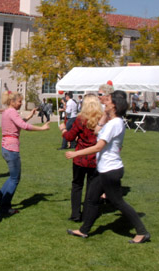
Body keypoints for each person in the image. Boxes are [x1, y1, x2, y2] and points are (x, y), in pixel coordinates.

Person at [65, 90, 150, 244]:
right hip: (103, 169)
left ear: (115, 105)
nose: (104, 100)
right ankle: (84, 230)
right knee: (91, 199)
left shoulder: (115, 124)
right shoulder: (111, 122)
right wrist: (105, 114)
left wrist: (75, 154)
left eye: (108, 100)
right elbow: (97, 130)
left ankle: (142, 232)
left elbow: (98, 147)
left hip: (110, 171)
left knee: (118, 202)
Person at [0, 91, 50, 215]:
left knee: (12, 177)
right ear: (12, 102)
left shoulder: (7, 112)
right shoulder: (12, 112)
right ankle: (5, 207)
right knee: (15, 178)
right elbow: (24, 126)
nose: (21, 103)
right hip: (11, 148)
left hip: (6, 147)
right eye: (19, 101)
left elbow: (18, 123)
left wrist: (30, 116)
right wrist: (42, 128)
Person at [59, 94, 102, 222]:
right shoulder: (101, 120)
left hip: (81, 157)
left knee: (77, 185)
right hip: (94, 158)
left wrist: (63, 130)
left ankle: (76, 214)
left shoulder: (81, 119)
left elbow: (70, 137)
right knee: (90, 187)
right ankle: (87, 213)